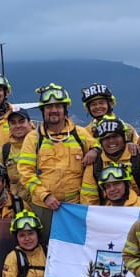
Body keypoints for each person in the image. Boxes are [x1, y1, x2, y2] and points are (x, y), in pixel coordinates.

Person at [17, 84, 95, 231]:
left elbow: (102, 149)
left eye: (58, 106)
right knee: (46, 247)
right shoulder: (33, 138)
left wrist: (95, 151)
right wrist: (45, 196)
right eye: (48, 107)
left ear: (65, 109)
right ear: (43, 110)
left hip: (74, 207)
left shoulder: (81, 134)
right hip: (43, 206)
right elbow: (25, 173)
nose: (53, 110)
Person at [80, 117, 140, 204]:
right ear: (100, 142)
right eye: (106, 138)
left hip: (138, 210)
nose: (111, 141)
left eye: (115, 136)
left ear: (124, 138)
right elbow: (88, 200)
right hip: (108, 213)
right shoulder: (95, 164)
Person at [1, 108, 32, 199]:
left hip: (39, 204)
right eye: (13, 123)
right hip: (16, 204)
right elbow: (3, 180)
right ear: (9, 127)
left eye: (21, 121)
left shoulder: (40, 145)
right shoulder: (5, 150)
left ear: (30, 124)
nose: (18, 126)